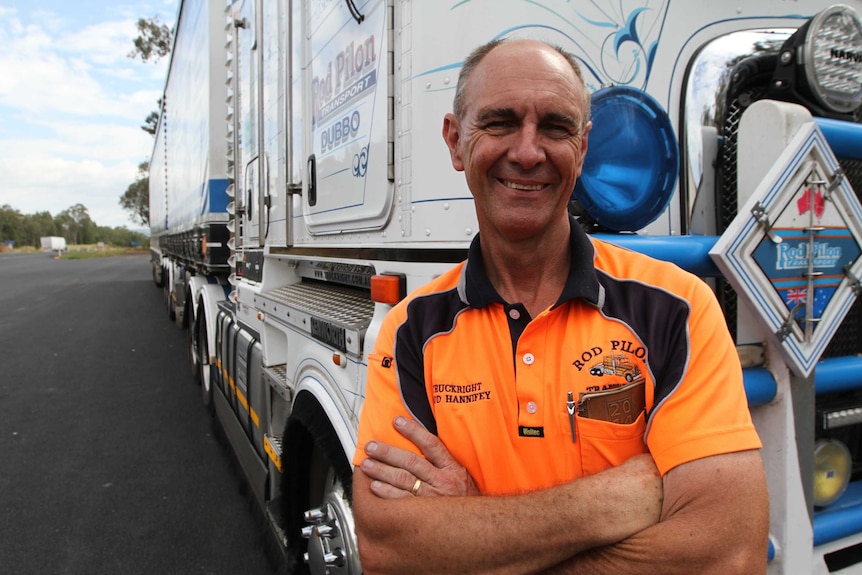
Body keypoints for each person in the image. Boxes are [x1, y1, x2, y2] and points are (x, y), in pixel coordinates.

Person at [351, 37, 769, 574]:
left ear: (584, 146)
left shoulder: (679, 307)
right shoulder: (412, 330)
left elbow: (727, 556)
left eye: (555, 127)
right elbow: (387, 548)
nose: (528, 152)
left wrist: (472, 530)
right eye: (500, 122)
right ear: (456, 142)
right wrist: (611, 500)